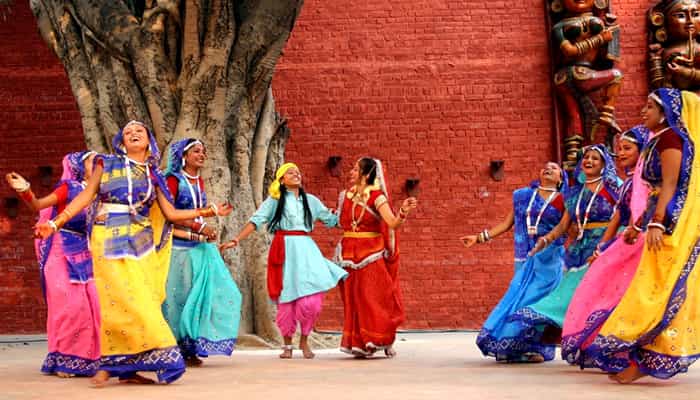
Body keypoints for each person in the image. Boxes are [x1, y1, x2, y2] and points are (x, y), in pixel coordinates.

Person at [34, 121, 232, 386]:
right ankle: (109, 364)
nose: (134, 134)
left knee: (144, 301)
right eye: (128, 132)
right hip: (109, 239)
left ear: (149, 141)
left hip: (142, 244)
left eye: (139, 131)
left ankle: (126, 369)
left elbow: (171, 214)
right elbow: (86, 197)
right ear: (121, 142)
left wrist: (208, 212)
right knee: (118, 302)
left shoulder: (153, 175)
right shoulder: (106, 164)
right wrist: (55, 223)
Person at [585, 88, 700, 383]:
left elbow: (671, 184)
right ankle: (637, 356)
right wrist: (638, 225)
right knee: (648, 291)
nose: (642, 111)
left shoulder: (672, 139)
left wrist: (658, 222)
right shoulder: (656, 141)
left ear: (666, 113)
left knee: (662, 291)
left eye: (650, 106)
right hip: (655, 223)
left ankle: (647, 360)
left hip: (670, 229)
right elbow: (653, 192)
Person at [220, 162, 347, 359]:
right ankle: (287, 344)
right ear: (281, 179)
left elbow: (332, 221)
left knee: (310, 301)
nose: (296, 174)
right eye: (290, 172)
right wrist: (237, 239)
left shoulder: (311, 201)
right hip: (283, 249)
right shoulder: (274, 200)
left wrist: (347, 209)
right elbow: (256, 220)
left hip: (306, 251)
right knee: (286, 298)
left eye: (298, 171)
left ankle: (304, 340)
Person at [509, 145, 620, 348]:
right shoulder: (575, 193)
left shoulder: (614, 187)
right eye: (586, 157)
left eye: (595, 158)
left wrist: (609, 245)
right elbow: (563, 225)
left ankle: (597, 340)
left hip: (605, 247)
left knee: (596, 294)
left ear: (604, 164)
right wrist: (545, 241)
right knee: (573, 292)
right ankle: (560, 329)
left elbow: (625, 215)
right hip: (579, 249)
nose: (589, 161)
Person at [561, 126, 650, 368]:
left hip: (639, 245)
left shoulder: (643, 182)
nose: (620, 153)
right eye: (619, 148)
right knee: (600, 295)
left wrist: (629, 233)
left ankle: (626, 351)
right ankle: (604, 347)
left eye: (627, 148)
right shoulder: (628, 184)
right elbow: (618, 216)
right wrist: (603, 247)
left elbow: (641, 215)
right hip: (615, 246)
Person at [6, 151, 100, 377]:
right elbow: (37, 205)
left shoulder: (100, 193)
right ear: (79, 166)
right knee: (70, 305)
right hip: (60, 249)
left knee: (92, 305)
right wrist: (25, 189)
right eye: (92, 161)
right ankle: (65, 358)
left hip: (88, 252)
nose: (98, 164)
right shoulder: (69, 188)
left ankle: (89, 358)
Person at [463, 162, 567, 362]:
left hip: (550, 260)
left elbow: (567, 228)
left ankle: (535, 348)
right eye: (545, 166)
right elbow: (506, 223)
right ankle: (515, 346)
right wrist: (479, 237)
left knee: (538, 303)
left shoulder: (564, 200)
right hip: (525, 258)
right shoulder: (524, 196)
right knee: (518, 299)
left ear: (561, 178)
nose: (548, 168)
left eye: (554, 168)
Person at [162, 138, 242, 366]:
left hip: (200, 247)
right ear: (184, 156)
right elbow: (170, 215)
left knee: (205, 295)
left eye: (204, 151)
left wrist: (207, 230)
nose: (202, 155)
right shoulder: (173, 180)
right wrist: (199, 226)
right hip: (178, 248)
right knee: (178, 297)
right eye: (196, 151)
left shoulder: (199, 182)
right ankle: (176, 347)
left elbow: (199, 213)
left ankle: (191, 345)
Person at [335, 157, 417, 358]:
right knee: (353, 300)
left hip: (370, 254)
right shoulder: (345, 196)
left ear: (366, 174)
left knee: (373, 298)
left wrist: (403, 212)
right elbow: (340, 222)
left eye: (355, 169)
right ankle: (358, 343)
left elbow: (392, 223)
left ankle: (379, 339)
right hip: (347, 255)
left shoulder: (377, 197)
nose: (351, 172)